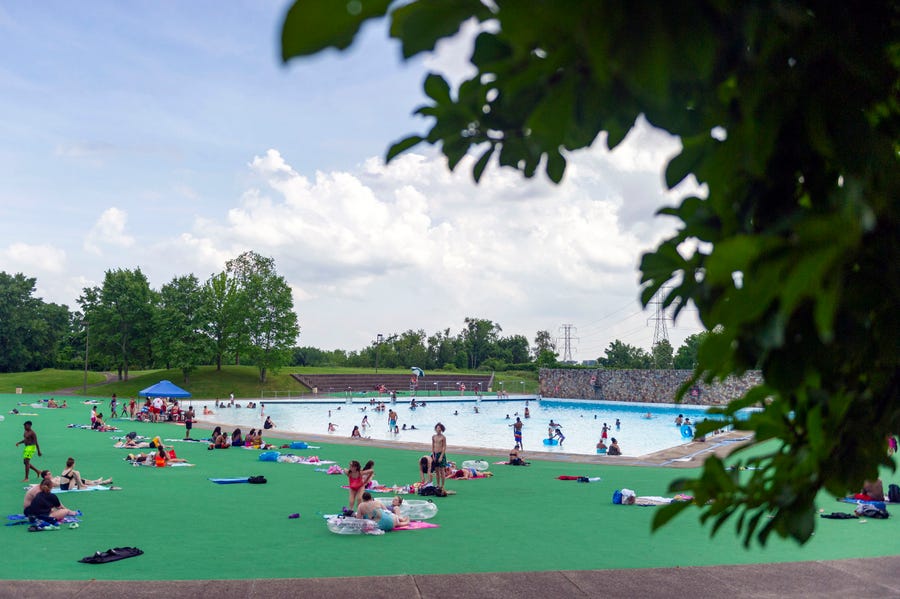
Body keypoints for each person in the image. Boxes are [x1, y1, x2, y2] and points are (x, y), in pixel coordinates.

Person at [432, 423, 447, 490]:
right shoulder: (433, 437)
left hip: (441, 454)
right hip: (435, 454)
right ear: (435, 429)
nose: (438, 429)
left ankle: (442, 485)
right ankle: (438, 484)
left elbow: (444, 447)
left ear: (441, 429)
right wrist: (433, 455)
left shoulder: (443, 437)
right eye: (437, 428)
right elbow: (433, 446)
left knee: (442, 471)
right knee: (437, 471)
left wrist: (441, 456)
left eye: (439, 428)